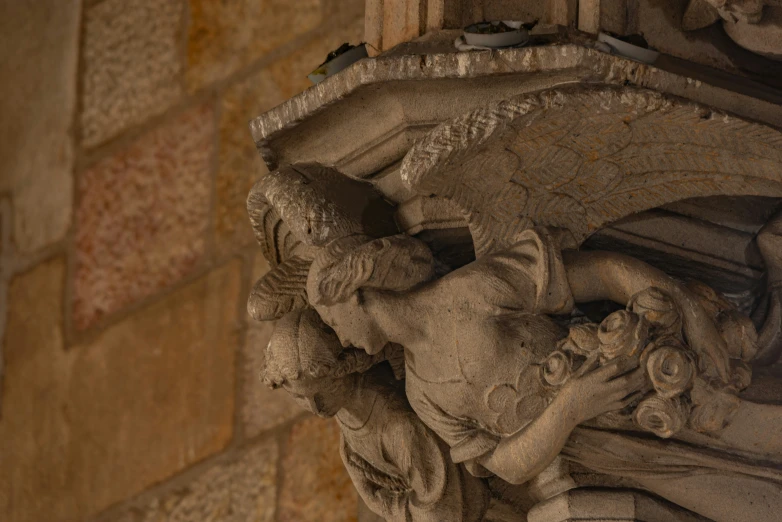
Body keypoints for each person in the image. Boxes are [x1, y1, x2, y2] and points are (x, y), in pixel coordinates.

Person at [306, 226, 782, 522]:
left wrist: (688, 312)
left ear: (355, 294)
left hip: (648, 384)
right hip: (614, 455)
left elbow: (606, 272)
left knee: (762, 428)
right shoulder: (421, 391)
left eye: (331, 322)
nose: (339, 337)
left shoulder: (472, 291)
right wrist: (571, 406)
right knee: (745, 501)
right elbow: (507, 466)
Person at [263, 308, 490, 522]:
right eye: (299, 397)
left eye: (324, 390)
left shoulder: (397, 424)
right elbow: (369, 487)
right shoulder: (348, 410)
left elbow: (444, 511)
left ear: (344, 370)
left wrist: (385, 504)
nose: (315, 407)